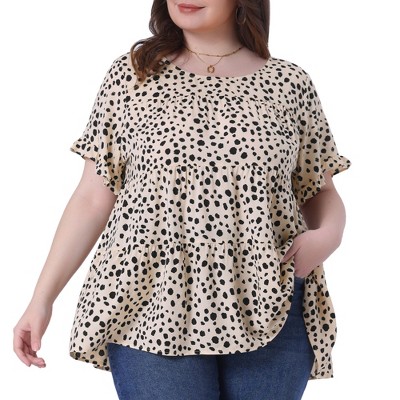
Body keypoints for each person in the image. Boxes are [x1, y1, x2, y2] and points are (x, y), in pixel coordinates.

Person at [13, 1, 351, 399]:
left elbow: (319, 189)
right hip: (150, 302)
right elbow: (91, 197)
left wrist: (329, 235)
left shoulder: (289, 83)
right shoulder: (133, 74)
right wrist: (42, 299)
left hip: (270, 299)